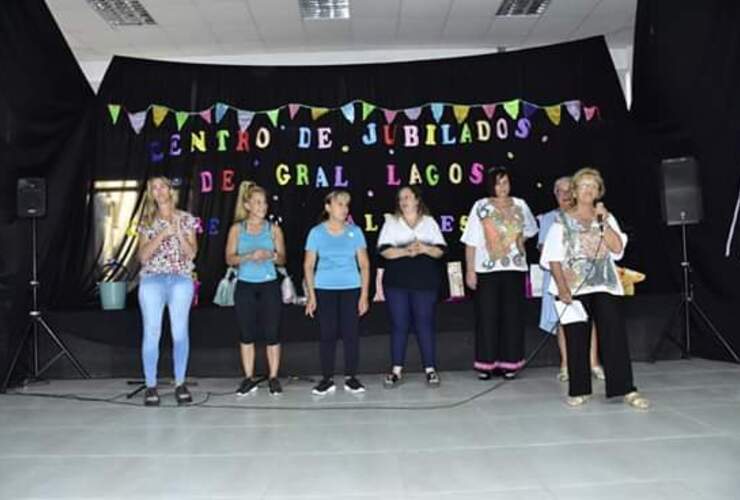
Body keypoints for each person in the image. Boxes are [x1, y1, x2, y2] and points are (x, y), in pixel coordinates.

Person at [540, 168, 650, 409]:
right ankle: (579, 389)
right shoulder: (561, 221)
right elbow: (553, 258)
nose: (588, 190)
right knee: (576, 337)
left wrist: (603, 222)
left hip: (604, 284)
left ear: (599, 191)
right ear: (576, 192)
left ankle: (625, 389)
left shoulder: (606, 218)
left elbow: (617, 247)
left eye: (593, 186)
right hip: (574, 286)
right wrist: (562, 287)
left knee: (614, 335)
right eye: (583, 186)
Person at [461, 167, 538, 379]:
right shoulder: (481, 206)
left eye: (505, 182)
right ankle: (486, 364)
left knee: (512, 316)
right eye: (497, 183)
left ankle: (510, 363)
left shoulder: (520, 204)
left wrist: (521, 240)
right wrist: (470, 270)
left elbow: (531, 228)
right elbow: (471, 241)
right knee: (487, 316)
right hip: (487, 269)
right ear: (490, 185)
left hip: (514, 268)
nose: (501, 187)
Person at [137, 176, 198, 406]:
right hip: (152, 280)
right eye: (154, 188)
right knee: (152, 332)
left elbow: (192, 254)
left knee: (179, 332)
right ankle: (150, 385)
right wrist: (162, 234)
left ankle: (180, 383)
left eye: (162, 186)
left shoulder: (187, 219)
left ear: (170, 190)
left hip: (181, 279)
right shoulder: (147, 221)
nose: (159, 191)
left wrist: (178, 232)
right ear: (151, 194)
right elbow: (142, 257)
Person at [377, 186, 447, 387]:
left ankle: (430, 369)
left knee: (424, 324)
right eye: (400, 198)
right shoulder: (392, 222)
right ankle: (396, 370)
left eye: (407, 197)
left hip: (425, 282)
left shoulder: (429, 222)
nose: (404, 201)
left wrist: (424, 248)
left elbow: (440, 250)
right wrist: (406, 251)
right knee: (399, 325)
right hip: (397, 282)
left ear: (417, 200)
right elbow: (383, 250)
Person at [538, 177, 605, 382]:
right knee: (563, 320)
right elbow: (544, 250)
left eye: (569, 190)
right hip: (560, 277)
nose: (566, 195)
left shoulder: (587, 215)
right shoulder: (550, 218)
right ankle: (566, 365)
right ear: (555, 195)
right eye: (560, 192)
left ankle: (593, 363)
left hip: (585, 276)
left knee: (589, 318)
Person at [304, 190, 370, 395]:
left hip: (351, 288)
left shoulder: (355, 232)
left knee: (351, 334)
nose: (344, 208)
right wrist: (311, 296)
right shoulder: (316, 233)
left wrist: (364, 295)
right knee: (327, 334)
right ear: (328, 207)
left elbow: (365, 265)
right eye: (340, 204)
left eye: (346, 205)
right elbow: (308, 266)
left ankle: (351, 377)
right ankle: (327, 379)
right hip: (325, 289)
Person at [225, 181, 286, 396]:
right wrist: (249, 256)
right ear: (247, 205)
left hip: (269, 284)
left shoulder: (274, 230)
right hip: (245, 285)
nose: (263, 206)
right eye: (258, 202)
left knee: (272, 332)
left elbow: (282, 259)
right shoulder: (237, 229)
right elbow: (229, 258)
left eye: (265, 203)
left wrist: (271, 255)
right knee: (246, 333)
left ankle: (274, 377)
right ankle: (248, 377)